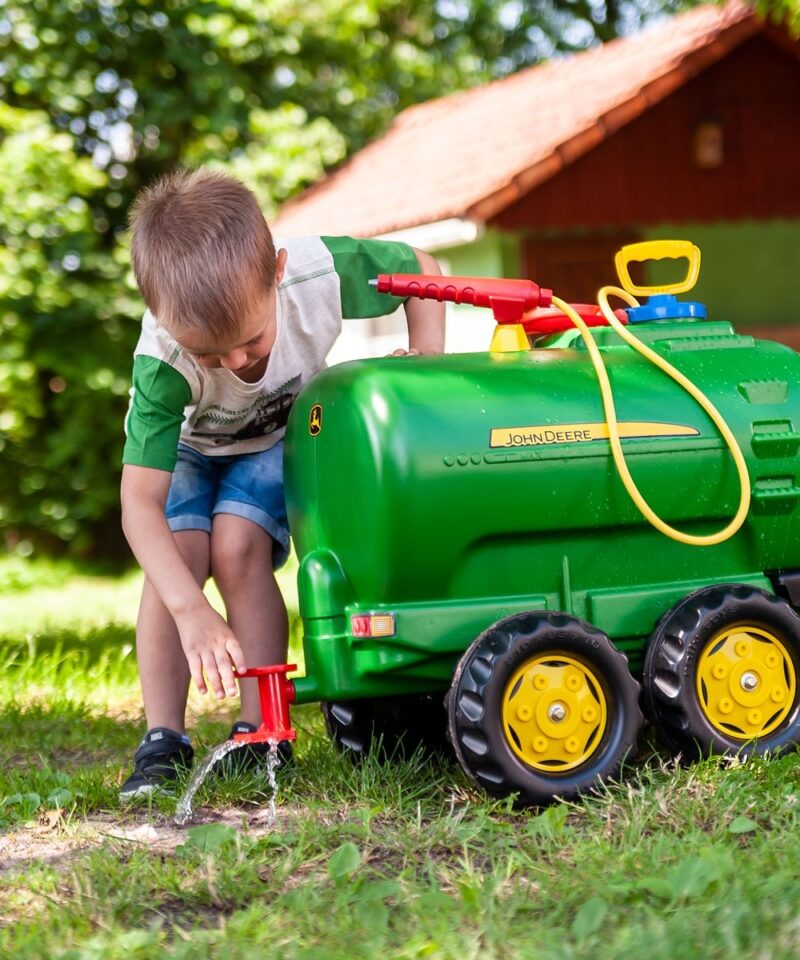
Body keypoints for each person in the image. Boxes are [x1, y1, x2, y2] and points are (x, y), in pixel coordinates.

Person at [119, 168, 445, 797]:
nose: (235, 364)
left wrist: (425, 364)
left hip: (274, 438)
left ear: (277, 271)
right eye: (210, 356)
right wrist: (192, 610)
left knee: (238, 545)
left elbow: (421, 268)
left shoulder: (318, 274)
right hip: (189, 450)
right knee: (179, 556)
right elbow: (139, 503)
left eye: (249, 342)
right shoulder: (162, 363)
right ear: (162, 318)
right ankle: (162, 739)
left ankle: (260, 730)